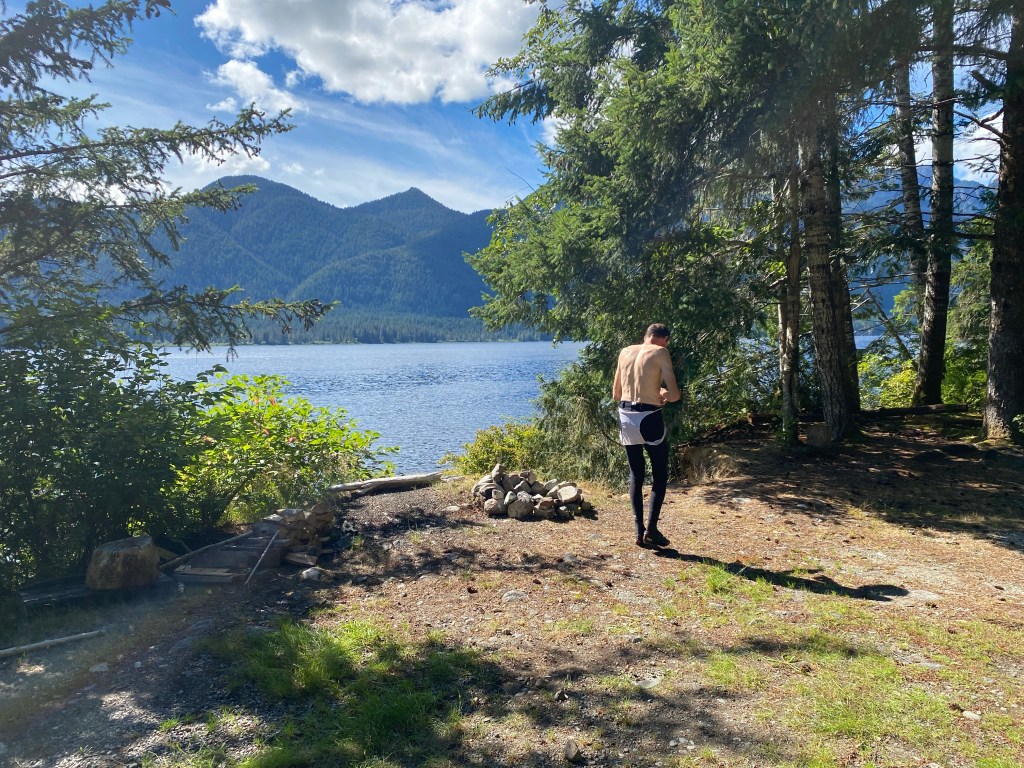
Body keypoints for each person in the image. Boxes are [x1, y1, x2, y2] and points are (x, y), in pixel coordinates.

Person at [612, 323, 681, 548]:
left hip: (625, 416)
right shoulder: (660, 352)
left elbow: (616, 393)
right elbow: (675, 394)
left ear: (646, 336)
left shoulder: (625, 352)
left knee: (636, 473)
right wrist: (664, 394)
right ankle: (651, 530)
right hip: (649, 416)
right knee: (660, 473)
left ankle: (638, 530)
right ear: (664, 339)